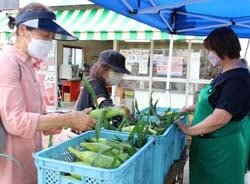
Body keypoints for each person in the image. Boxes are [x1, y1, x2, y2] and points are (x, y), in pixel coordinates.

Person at [0, 3, 95, 184]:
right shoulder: (7, 62)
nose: (49, 43)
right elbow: (16, 122)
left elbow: (39, 117)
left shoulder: (30, 67)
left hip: (31, 160)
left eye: (51, 38)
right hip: (11, 169)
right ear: (22, 30)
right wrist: (68, 119)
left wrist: (68, 120)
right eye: (45, 36)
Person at [177, 27, 250, 184]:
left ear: (222, 49)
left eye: (211, 50)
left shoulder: (237, 79)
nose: (209, 54)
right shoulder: (226, 74)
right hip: (208, 148)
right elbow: (215, 103)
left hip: (221, 151)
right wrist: (189, 108)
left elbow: (220, 118)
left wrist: (188, 130)